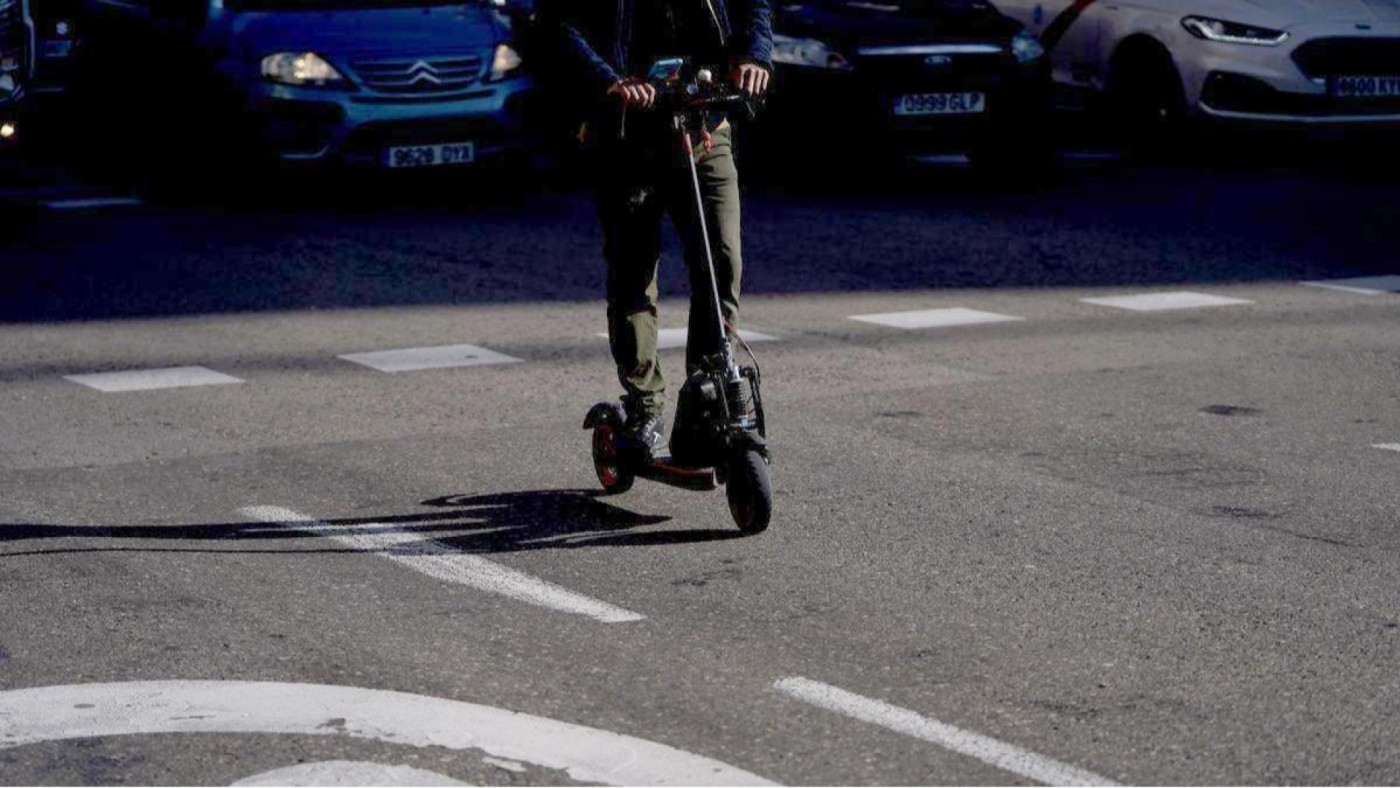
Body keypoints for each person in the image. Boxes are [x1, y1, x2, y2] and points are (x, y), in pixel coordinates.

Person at [535, 0, 773, 459]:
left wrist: (756, 55)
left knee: (722, 260)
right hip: (630, 134)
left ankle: (704, 397)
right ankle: (644, 405)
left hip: (705, 124)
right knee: (634, 272)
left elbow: (752, 6)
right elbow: (558, 25)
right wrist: (611, 79)